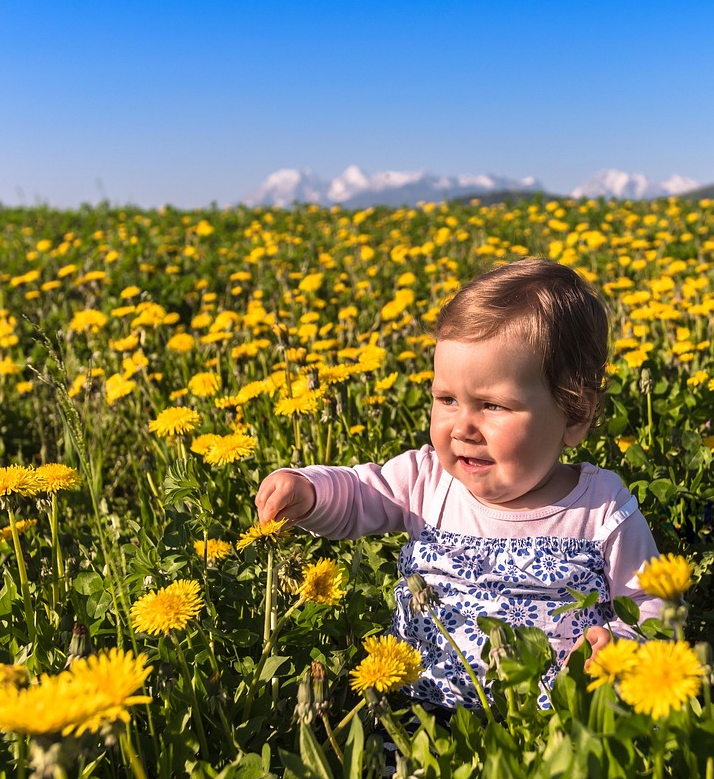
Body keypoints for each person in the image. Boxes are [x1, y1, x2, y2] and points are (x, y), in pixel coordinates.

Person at [254, 259, 662, 709]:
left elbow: (652, 603)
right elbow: (358, 493)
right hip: (420, 719)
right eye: (447, 399)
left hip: (554, 726)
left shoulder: (601, 510)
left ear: (575, 413)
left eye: (492, 405)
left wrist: (622, 648)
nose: (462, 427)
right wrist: (309, 491)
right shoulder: (427, 482)